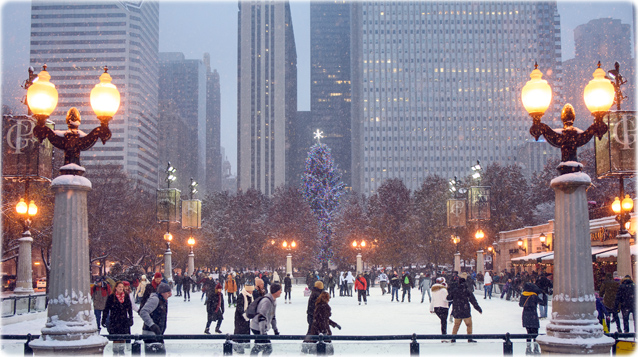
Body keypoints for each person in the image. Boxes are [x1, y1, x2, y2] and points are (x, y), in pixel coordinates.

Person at [447, 273, 482, 343]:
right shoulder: (467, 290)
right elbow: (473, 300)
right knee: (469, 325)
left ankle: (453, 338)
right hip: (465, 310)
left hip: (457, 310)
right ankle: (469, 338)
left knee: (456, 325)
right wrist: (478, 308)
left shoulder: (455, 290)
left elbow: (448, 298)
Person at [103, 281, 134, 355]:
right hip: (115, 320)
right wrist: (103, 319)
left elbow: (129, 308)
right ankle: (116, 353)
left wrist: (131, 317)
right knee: (116, 338)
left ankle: (122, 352)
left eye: (122, 287)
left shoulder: (126, 296)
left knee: (123, 338)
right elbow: (106, 309)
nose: (121, 288)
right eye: (119, 287)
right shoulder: (111, 297)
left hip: (123, 320)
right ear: (116, 288)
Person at [250, 283, 282, 356]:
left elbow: (273, 316)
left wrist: (275, 330)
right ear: (276, 291)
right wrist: (262, 333)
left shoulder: (273, 301)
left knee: (259, 347)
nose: (281, 292)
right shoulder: (267, 301)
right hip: (257, 327)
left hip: (260, 327)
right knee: (267, 348)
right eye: (280, 290)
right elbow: (261, 317)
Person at [139, 283, 171, 354]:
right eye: (168, 293)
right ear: (162, 293)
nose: (170, 295)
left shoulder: (163, 300)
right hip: (150, 334)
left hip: (157, 334)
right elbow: (143, 312)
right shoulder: (155, 299)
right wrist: (152, 325)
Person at [520, 282, 543, 354]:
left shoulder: (523, 295)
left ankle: (528, 347)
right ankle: (536, 348)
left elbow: (520, 304)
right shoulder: (534, 296)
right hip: (533, 315)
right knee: (535, 332)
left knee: (528, 332)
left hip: (526, 315)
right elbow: (542, 302)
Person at [234, 282, 255, 354]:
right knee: (239, 331)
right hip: (240, 317)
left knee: (246, 330)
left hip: (247, 316)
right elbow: (239, 306)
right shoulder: (241, 296)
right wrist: (243, 314)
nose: (252, 291)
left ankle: (245, 345)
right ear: (248, 290)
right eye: (251, 290)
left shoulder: (250, 296)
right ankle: (238, 346)